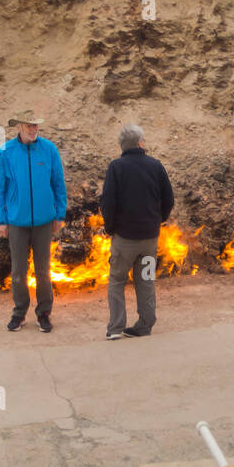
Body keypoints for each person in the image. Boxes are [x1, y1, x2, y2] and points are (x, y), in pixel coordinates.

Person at [0, 112, 67, 333]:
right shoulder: (6, 152)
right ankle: (19, 313)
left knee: (43, 270)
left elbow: (58, 182)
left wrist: (60, 214)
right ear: (19, 127)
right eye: (29, 126)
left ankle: (44, 313)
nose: (33, 130)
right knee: (18, 271)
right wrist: (1, 219)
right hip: (17, 220)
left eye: (36, 126)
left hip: (45, 220)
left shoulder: (49, 149)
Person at [100, 124, 174, 340]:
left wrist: (110, 227)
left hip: (125, 239)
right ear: (140, 143)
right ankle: (145, 325)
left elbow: (108, 202)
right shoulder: (156, 165)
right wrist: (158, 220)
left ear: (122, 145)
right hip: (150, 239)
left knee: (116, 280)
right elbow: (168, 198)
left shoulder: (116, 167)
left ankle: (115, 328)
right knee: (146, 280)